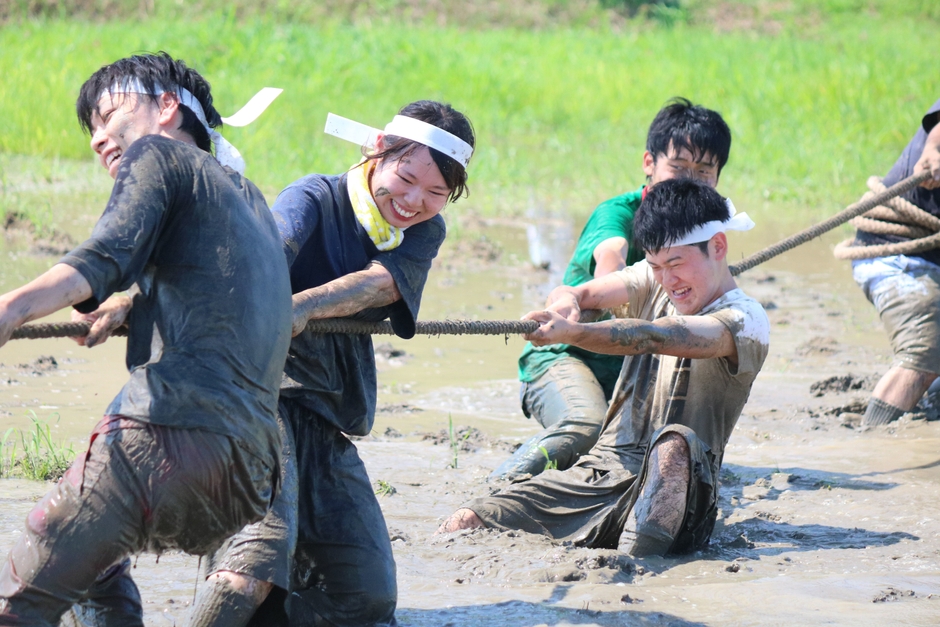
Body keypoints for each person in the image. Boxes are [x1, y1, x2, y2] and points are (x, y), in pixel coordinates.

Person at [0, 52, 292, 626]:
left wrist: (11, 308)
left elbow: (104, 256)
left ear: (166, 107)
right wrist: (136, 305)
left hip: (166, 443)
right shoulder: (250, 198)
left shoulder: (156, 154)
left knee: (16, 603)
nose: (98, 139)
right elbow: (221, 297)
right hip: (251, 478)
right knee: (95, 566)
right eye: (92, 131)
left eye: (110, 116)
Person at [190, 102, 475, 627]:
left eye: (436, 192)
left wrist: (303, 306)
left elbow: (382, 283)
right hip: (256, 396)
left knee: (364, 598)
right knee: (251, 563)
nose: (414, 201)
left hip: (323, 412)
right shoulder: (313, 196)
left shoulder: (424, 232)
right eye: (406, 179)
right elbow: (268, 254)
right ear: (377, 151)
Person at [438, 178, 769, 558]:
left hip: (682, 488)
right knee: (466, 521)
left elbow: (655, 336)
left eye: (676, 264)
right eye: (657, 266)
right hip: (605, 469)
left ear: (718, 246)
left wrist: (574, 333)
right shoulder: (652, 280)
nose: (668, 280)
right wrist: (567, 300)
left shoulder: (746, 320)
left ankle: (639, 567)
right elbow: (581, 291)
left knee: (674, 444)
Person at [494, 98, 732, 481]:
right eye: (678, 167)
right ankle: (497, 488)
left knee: (679, 451)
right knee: (584, 425)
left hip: (633, 372)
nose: (689, 180)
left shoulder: (708, 230)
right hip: (565, 354)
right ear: (649, 163)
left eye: (703, 171)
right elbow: (611, 255)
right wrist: (609, 288)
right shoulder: (618, 215)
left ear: (717, 176)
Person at [847, 99, 940, 426]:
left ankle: (926, 408)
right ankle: (874, 439)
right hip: (900, 257)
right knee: (925, 351)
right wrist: (935, 151)